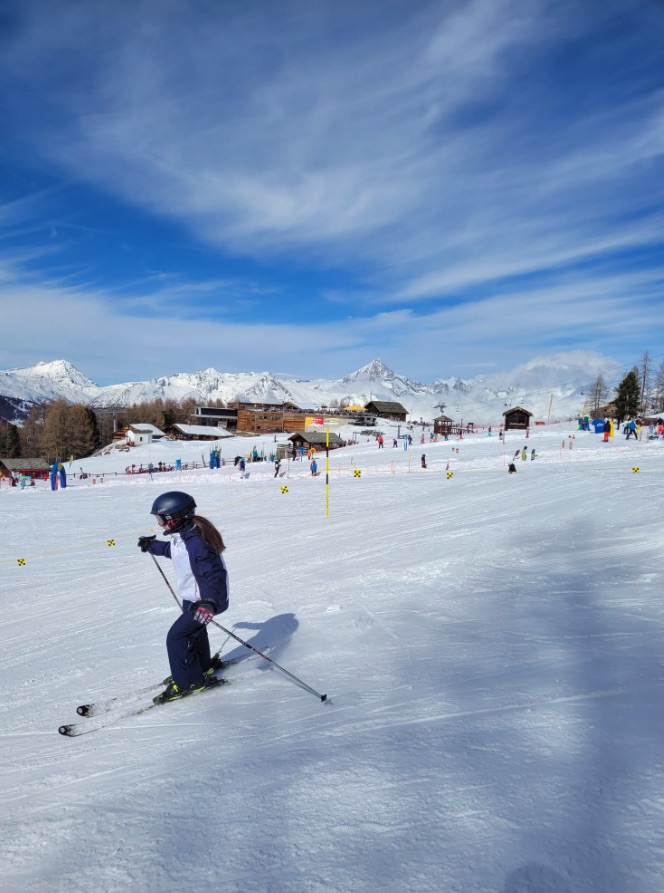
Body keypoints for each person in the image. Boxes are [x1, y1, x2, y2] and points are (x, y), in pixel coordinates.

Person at [138, 491, 229, 703]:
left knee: (176, 637)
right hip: (193, 598)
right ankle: (201, 667)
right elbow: (174, 551)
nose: (160, 525)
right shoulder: (185, 536)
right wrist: (151, 546)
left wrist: (210, 601)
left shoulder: (197, 543)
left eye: (161, 520)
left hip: (205, 600)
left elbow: (214, 574)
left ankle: (188, 682)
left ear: (175, 518)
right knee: (195, 633)